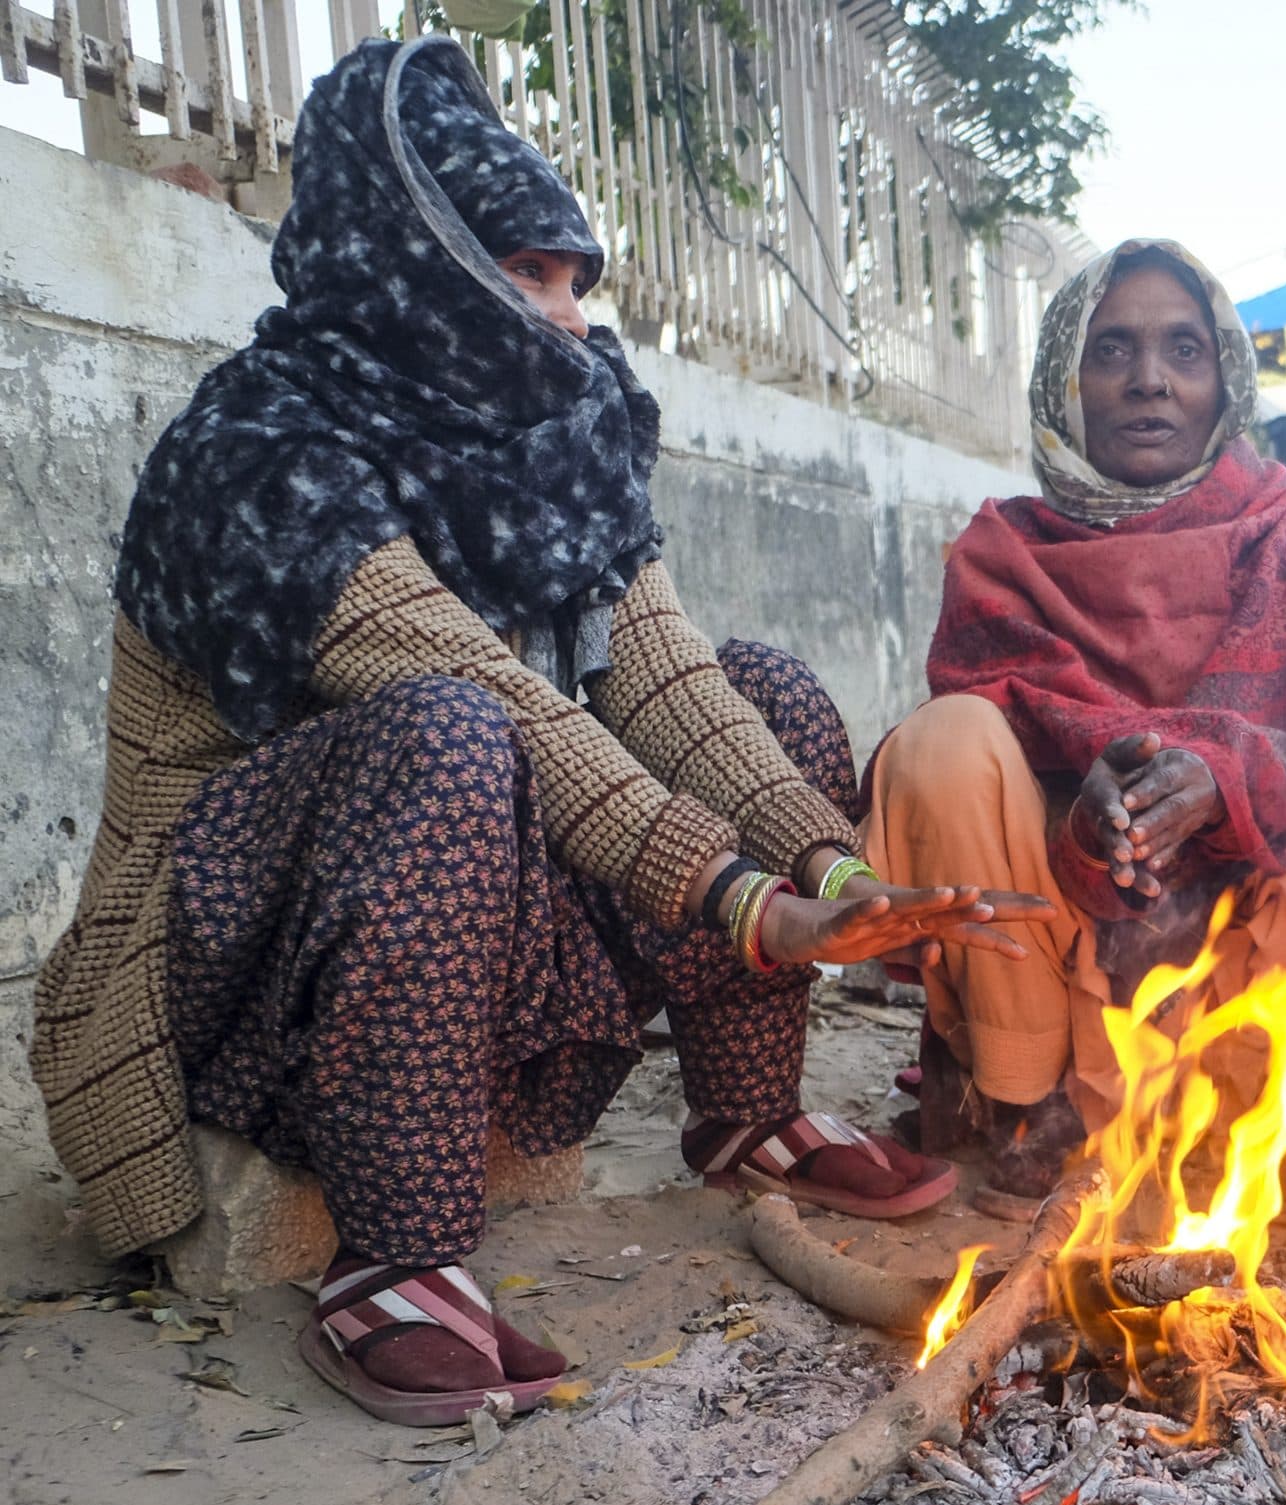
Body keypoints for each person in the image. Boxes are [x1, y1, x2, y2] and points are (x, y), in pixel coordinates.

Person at [30, 39, 1047, 1426]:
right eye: (527, 274)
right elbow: (501, 705)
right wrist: (745, 903)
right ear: (409, 256)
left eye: (577, 280)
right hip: (224, 971)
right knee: (452, 736)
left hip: (438, 905)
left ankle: (747, 1112)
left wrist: (835, 876)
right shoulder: (256, 453)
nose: (568, 320)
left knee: (769, 689)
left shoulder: (554, 435)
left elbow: (674, 687)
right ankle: (395, 1255)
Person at [860, 239, 1286, 1216]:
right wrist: (1088, 805)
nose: (1149, 381)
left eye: (1183, 350)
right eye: (1111, 351)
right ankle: (1028, 1106)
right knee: (941, 741)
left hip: (1257, 949)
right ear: (1065, 381)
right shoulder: (1003, 553)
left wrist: (1224, 783)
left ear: (1224, 376)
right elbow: (996, 746)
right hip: (1068, 949)